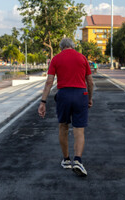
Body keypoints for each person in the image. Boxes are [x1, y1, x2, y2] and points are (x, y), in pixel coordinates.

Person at [38, 38, 94, 177]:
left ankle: (66, 160)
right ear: (73, 46)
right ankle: (78, 160)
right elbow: (90, 82)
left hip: (63, 94)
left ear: (61, 47)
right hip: (81, 94)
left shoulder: (56, 59)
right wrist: (89, 98)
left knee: (63, 126)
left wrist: (43, 102)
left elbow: (49, 82)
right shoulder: (82, 58)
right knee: (79, 130)